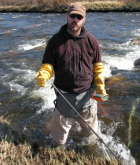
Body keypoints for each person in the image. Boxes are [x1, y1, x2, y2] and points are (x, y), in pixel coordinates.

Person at [35, 2, 108, 148]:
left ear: (84, 19)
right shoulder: (55, 41)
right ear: (67, 16)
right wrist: (43, 75)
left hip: (87, 95)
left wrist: (100, 85)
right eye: (72, 16)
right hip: (64, 96)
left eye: (79, 17)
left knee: (91, 136)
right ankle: (58, 153)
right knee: (58, 141)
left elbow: (98, 67)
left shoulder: (92, 41)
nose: (75, 20)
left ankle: (89, 152)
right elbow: (48, 65)